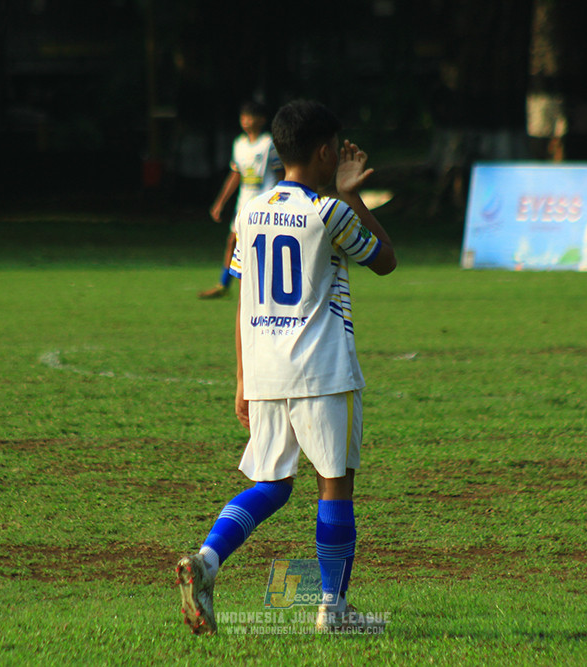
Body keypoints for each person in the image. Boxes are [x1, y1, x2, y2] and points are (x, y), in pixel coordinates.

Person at [175, 99, 397, 635]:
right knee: (334, 483)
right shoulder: (328, 211)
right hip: (323, 370)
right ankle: (332, 611)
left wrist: (242, 379)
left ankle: (206, 561)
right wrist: (352, 193)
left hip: (266, 370)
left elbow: (243, 298)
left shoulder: (250, 213)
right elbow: (385, 259)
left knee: (271, 484)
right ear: (325, 152)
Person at [198, 101, 284, 299]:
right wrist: (220, 202)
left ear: (262, 120)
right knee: (232, 241)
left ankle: (269, 286)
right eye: (243, 117)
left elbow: (280, 173)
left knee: (266, 245)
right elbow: (236, 174)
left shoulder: (268, 144)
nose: (246, 121)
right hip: (244, 203)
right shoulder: (239, 144)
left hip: (266, 203)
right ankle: (223, 284)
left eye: (251, 116)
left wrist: (280, 198)